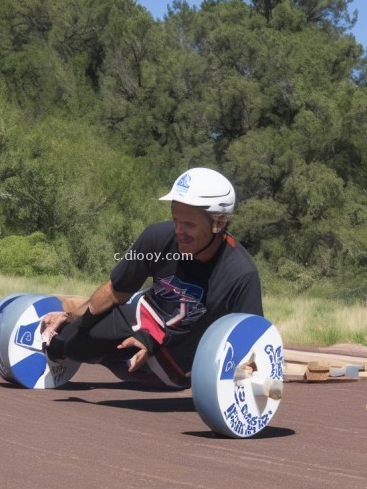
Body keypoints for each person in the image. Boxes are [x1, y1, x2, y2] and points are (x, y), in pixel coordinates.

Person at [42, 167, 263, 389]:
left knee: (156, 367)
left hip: (181, 356)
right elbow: (113, 291)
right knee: (73, 344)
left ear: (219, 222)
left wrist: (153, 340)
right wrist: (71, 318)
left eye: (189, 224)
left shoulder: (242, 275)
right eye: (176, 220)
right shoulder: (157, 238)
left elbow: (250, 346)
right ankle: (66, 348)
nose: (179, 231)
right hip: (144, 313)